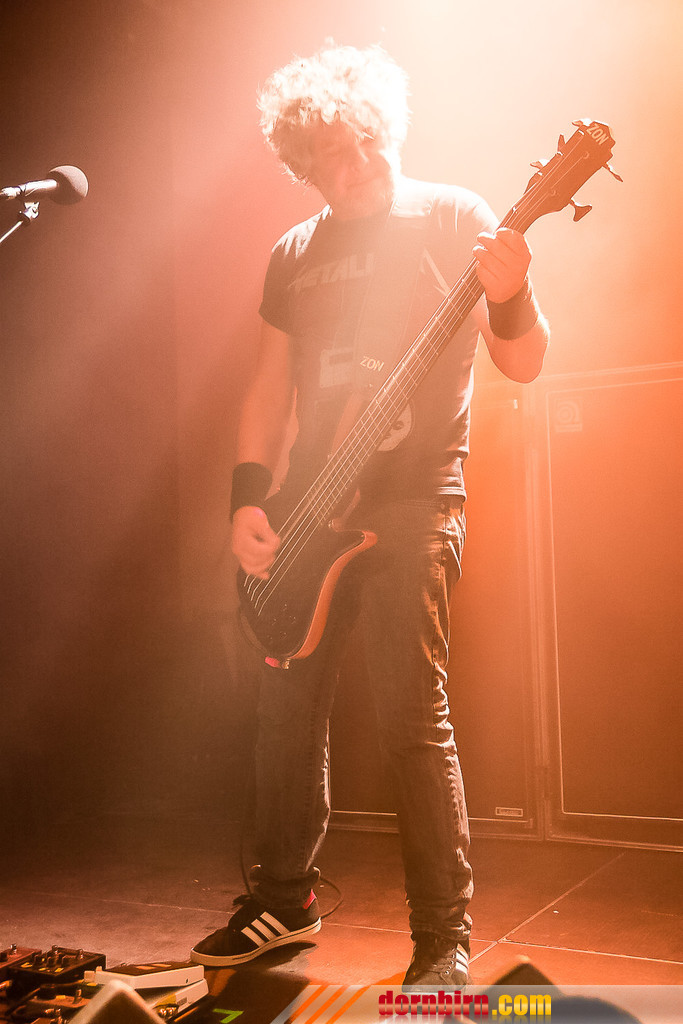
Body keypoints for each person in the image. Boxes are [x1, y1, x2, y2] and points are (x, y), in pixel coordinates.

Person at [191, 43, 549, 986]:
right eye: (327, 158)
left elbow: (521, 363)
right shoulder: (293, 252)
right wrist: (247, 499)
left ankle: (442, 939)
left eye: (362, 144)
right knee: (284, 712)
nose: (351, 168)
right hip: (308, 506)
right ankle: (283, 899)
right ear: (299, 167)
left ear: (386, 128)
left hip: (414, 499)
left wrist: (512, 293)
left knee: (407, 714)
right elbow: (268, 388)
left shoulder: (454, 216)